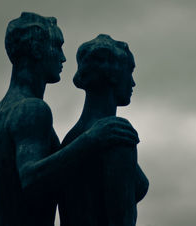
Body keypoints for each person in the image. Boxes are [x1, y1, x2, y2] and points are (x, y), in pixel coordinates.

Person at [0, 13, 139, 226]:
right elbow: (30, 178)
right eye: (57, 47)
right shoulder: (33, 109)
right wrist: (92, 139)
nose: (63, 58)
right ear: (37, 50)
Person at [59, 34, 149, 226]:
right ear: (113, 74)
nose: (133, 83)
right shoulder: (116, 135)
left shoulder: (71, 138)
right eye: (129, 72)